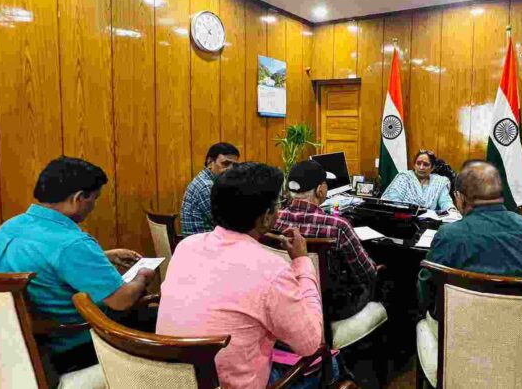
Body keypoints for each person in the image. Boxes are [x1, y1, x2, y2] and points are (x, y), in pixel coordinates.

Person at [157, 162, 325, 389]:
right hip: (231, 384)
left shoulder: (186, 246)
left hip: (176, 380)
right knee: (328, 363)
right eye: (278, 204)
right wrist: (302, 261)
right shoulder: (271, 269)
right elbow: (311, 343)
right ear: (266, 217)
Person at [0, 156, 155, 380]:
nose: (93, 206)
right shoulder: (72, 244)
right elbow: (121, 300)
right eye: (94, 199)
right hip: (69, 349)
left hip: (15, 350)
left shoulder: (9, 228)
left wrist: (103, 256)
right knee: (157, 316)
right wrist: (142, 276)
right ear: (78, 198)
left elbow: (41, 264)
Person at [418, 160, 522, 315]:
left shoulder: (448, 236)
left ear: (460, 198)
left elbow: (427, 295)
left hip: (463, 327)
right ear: (500, 195)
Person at [275, 160, 378, 320]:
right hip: (330, 308)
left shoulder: (274, 219)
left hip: (285, 299)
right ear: (320, 190)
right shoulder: (338, 226)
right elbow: (366, 273)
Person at [180, 142, 240, 236]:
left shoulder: (207, 180)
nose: (231, 169)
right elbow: (228, 224)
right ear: (210, 162)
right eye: (225, 164)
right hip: (202, 243)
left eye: (235, 166)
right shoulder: (207, 186)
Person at [381, 149, 456, 211]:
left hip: (429, 221)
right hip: (403, 217)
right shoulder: (404, 177)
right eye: (418, 163)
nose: (421, 167)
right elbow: (392, 200)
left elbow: (445, 201)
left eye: (426, 164)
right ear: (414, 165)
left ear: (432, 167)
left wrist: (451, 209)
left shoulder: (439, 181)